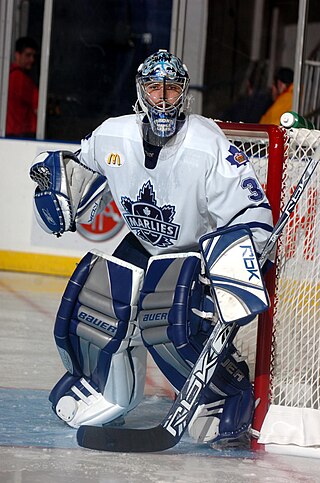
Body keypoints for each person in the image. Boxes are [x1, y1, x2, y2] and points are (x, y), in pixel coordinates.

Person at [29, 50, 274, 445]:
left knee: (166, 320)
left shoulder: (208, 143)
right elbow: (75, 165)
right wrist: (52, 181)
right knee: (96, 299)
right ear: (140, 90)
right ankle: (107, 393)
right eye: (154, 87)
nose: (163, 97)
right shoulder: (113, 133)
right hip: (145, 243)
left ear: (184, 94)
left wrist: (232, 273)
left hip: (195, 252)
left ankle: (225, 394)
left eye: (172, 87)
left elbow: (253, 213)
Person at [6, 36, 39, 138]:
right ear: (17, 55)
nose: (32, 59)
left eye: (33, 56)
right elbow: (38, 106)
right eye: (28, 55)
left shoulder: (7, 75)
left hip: (10, 133)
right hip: (21, 133)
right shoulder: (20, 78)